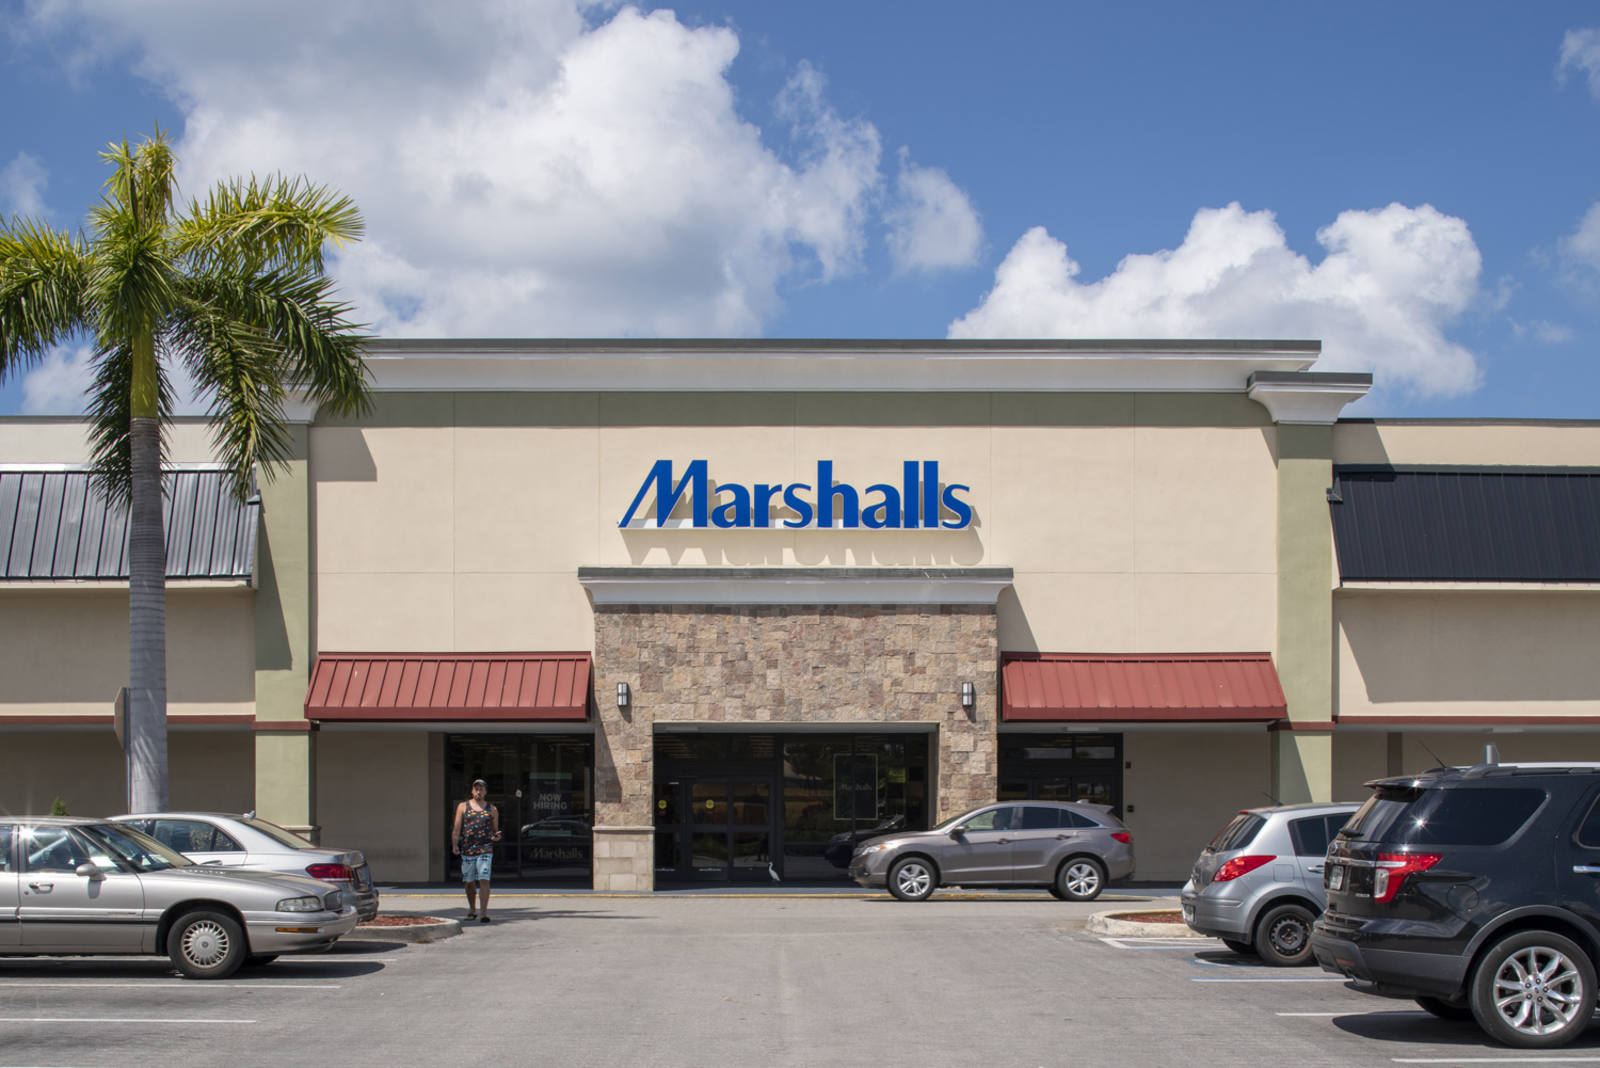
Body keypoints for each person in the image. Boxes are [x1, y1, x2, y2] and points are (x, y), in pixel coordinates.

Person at [452, 778, 501, 923]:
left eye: (481, 789)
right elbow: (457, 828)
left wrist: (496, 836)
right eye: (476, 789)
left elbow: (495, 830)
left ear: (485, 791)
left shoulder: (492, 809)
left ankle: (483, 913)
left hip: (485, 848)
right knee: (469, 881)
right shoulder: (463, 807)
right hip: (468, 848)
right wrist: (455, 844)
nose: (478, 791)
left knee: (484, 878)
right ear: (472, 791)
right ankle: (472, 909)